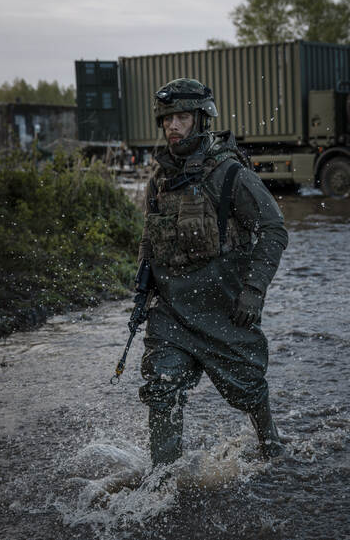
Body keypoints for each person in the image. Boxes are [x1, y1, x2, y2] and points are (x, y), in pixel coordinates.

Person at [136, 78, 289, 468]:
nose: (173, 126)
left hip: (225, 309)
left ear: (201, 119)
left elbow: (274, 229)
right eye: (167, 119)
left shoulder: (230, 174)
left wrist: (254, 291)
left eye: (182, 117)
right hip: (171, 312)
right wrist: (143, 292)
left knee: (249, 387)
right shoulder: (159, 181)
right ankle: (162, 480)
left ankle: (272, 450)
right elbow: (151, 241)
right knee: (161, 386)